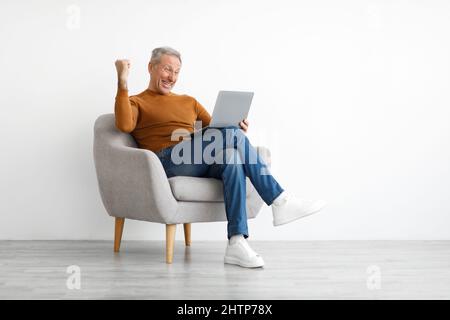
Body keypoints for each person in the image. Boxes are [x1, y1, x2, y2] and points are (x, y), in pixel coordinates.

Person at [114, 46, 326, 268]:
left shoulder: (189, 101)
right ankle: (279, 200)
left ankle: (236, 242)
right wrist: (122, 81)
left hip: (198, 157)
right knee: (230, 137)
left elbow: (219, 129)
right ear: (151, 67)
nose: (172, 77)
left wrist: (237, 128)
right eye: (167, 70)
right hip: (168, 160)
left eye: (177, 72)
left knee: (232, 158)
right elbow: (124, 124)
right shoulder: (137, 101)